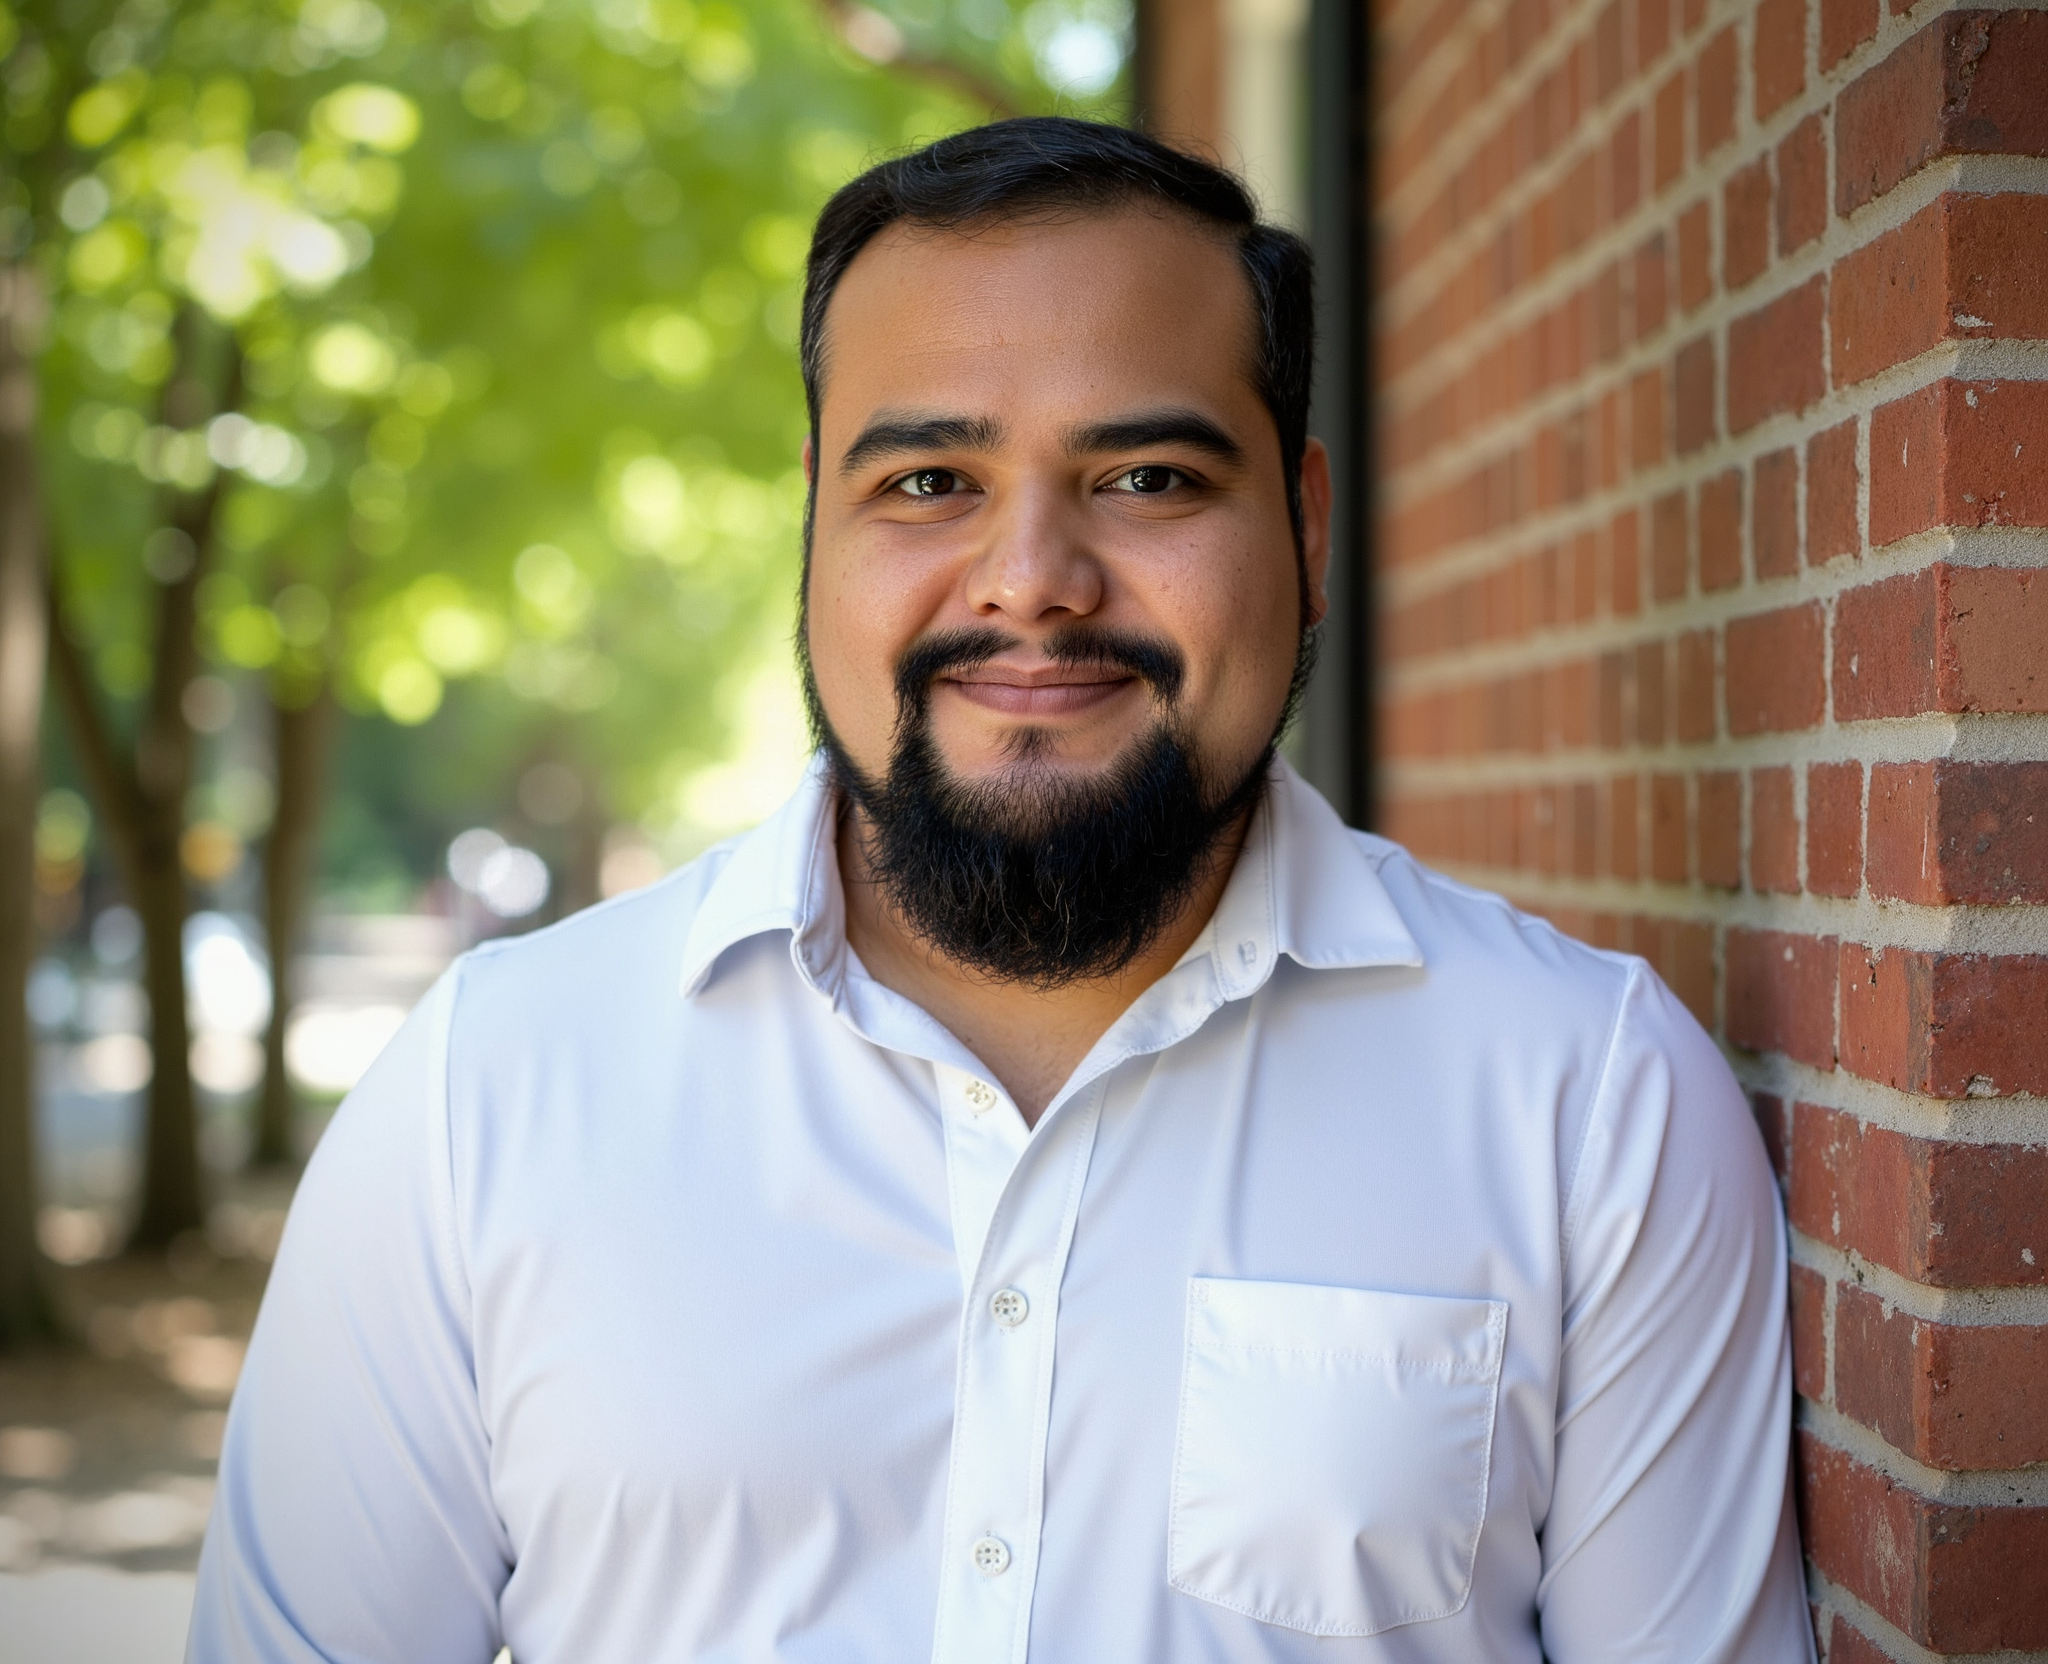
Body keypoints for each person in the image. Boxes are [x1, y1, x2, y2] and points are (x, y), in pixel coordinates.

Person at [189, 118, 1812, 1663]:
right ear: (813, 530)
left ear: (1308, 531)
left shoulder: (1588, 1099)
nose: (1032, 577)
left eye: (1150, 480)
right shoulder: (491, 1091)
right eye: (928, 484)